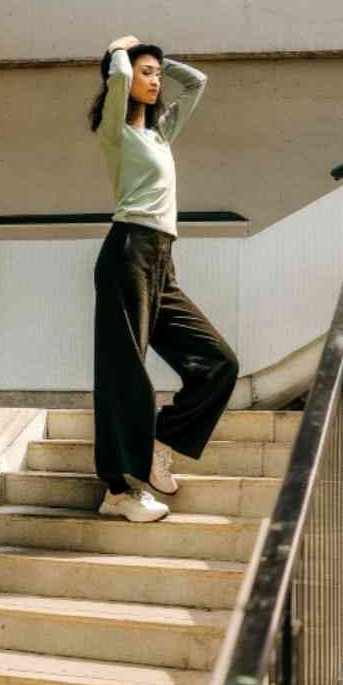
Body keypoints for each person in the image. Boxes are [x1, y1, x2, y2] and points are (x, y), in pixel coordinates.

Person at [89, 34, 240, 523]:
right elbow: (116, 75)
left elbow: (196, 85)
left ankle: (161, 444)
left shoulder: (159, 135)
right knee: (126, 373)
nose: (155, 81)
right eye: (146, 73)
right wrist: (121, 49)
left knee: (218, 362)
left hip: (161, 259)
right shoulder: (117, 132)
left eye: (157, 73)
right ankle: (119, 491)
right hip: (128, 252)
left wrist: (159, 60)